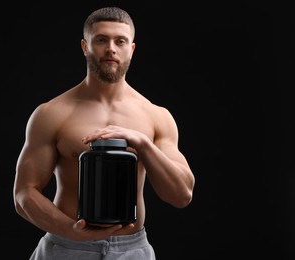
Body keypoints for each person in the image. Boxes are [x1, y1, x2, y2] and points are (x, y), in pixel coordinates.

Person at [13, 6, 195, 260]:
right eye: (101, 40)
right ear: (85, 46)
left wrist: (143, 144)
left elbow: (181, 194)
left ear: (131, 49)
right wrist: (73, 232)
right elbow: (24, 194)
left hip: (131, 250)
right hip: (66, 247)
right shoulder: (51, 113)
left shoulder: (156, 116)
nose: (111, 48)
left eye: (120, 41)